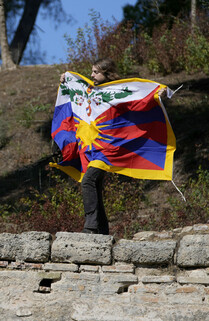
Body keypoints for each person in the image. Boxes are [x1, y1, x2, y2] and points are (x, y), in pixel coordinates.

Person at [59, 58, 167, 235]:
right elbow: (76, 95)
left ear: (106, 74)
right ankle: (102, 230)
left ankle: (90, 227)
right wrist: (67, 78)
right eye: (91, 71)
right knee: (94, 186)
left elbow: (137, 102)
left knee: (88, 181)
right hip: (90, 148)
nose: (91, 75)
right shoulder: (90, 89)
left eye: (95, 72)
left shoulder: (117, 91)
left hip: (109, 148)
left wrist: (155, 95)